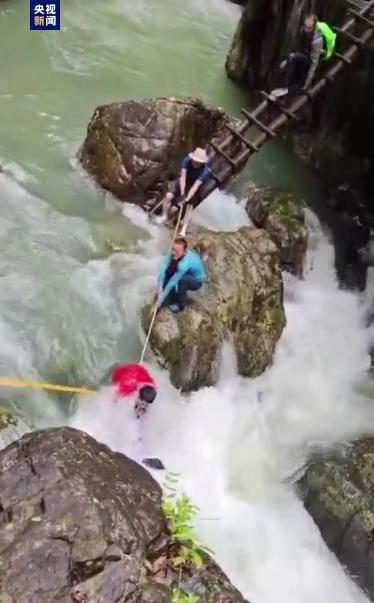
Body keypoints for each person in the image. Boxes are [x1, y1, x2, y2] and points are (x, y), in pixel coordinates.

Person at [270, 14, 336, 100]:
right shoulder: (302, 31)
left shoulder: (317, 40)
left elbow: (314, 63)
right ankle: (283, 91)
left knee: (294, 58)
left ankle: (284, 90)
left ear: (314, 27)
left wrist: (307, 84)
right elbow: (297, 47)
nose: (306, 30)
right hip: (303, 55)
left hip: (310, 60)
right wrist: (287, 61)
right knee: (288, 64)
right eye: (305, 26)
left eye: (309, 28)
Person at [155, 147, 210, 236]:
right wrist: (182, 193)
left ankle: (184, 229)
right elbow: (183, 177)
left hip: (194, 186)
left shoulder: (204, 171)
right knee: (168, 196)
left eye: (199, 162)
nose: (197, 163)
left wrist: (187, 198)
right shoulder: (186, 161)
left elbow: (195, 186)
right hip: (184, 181)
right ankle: (164, 215)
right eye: (196, 161)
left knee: (189, 207)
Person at [156, 236, 206, 313]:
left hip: (197, 280)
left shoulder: (184, 264)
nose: (173, 253)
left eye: (177, 251)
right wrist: (160, 287)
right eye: (173, 249)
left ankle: (181, 304)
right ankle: (171, 293)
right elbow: (162, 269)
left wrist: (160, 300)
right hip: (185, 271)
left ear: (184, 252)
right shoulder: (170, 253)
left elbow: (173, 281)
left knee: (182, 280)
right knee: (167, 273)